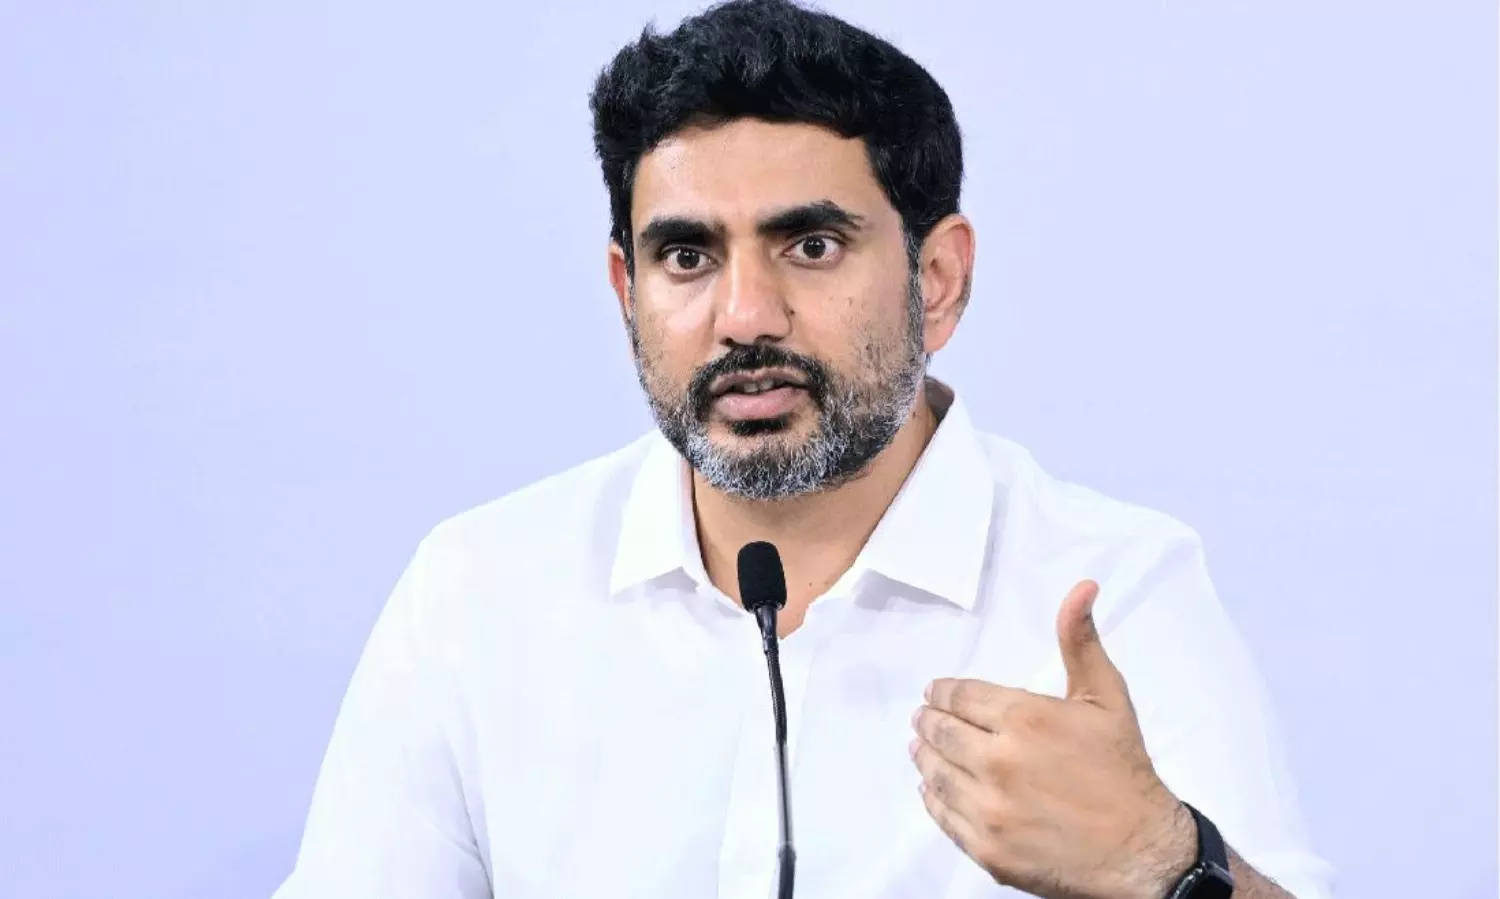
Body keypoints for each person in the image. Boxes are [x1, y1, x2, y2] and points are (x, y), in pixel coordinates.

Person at [273, 1, 1334, 897]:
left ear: (938, 280)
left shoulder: (1109, 595)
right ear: (627, 289)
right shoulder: (480, 588)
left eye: (812, 245)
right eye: (687, 256)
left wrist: (1162, 858)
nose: (745, 315)